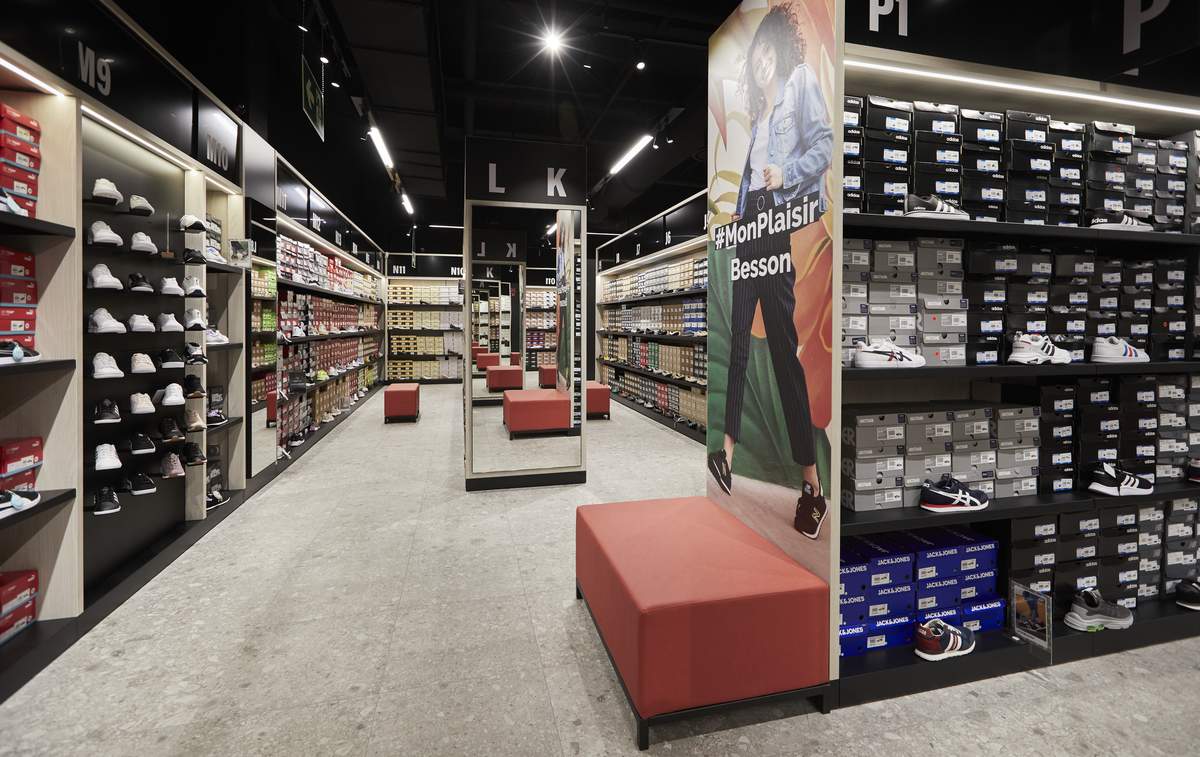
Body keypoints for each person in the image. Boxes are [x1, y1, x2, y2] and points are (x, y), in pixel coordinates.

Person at [707, 5, 832, 539]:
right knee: (737, 338)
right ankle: (725, 454)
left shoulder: (801, 83)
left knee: (784, 353)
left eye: (765, 50)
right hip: (750, 228)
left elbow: (824, 146)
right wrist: (738, 212)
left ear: (780, 48)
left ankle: (812, 486)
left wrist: (787, 172)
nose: (759, 60)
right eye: (753, 53)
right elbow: (750, 179)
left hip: (777, 226)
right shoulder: (759, 118)